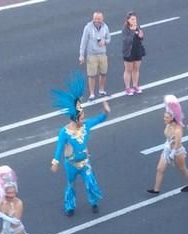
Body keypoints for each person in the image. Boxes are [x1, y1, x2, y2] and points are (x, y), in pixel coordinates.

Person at [50, 73, 110, 217]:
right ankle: (69, 205)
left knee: (90, 182)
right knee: (71, 185)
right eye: (81, 117)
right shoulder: (64, 132)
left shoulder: (85, 126)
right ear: (75, 118)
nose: (84, 119)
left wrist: (106, 112)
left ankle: (94, 202)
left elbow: (99, 119)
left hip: (84, 162)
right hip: (70, 164)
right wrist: (55, 162)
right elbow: (59, 148)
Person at [146, 95, 188, 194]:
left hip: (176, 152)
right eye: (164, 116)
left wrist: (172, 154)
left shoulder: (177, 129)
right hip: (167, 149)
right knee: (160, 169)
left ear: (172, 118)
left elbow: (177, 143)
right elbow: (169, 138)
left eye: (166, 117)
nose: (164, 118)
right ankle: (156, 189)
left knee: (182, 168)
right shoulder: (169, 124)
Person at [79, 11, 111, 101]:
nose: (97, 20)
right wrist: (81, 55)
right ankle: (92, 94)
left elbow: (109, 38)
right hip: (92, 55)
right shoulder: (88, 28)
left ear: (102, 19)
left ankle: (101, 90)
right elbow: (83, 42)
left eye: (99, 18)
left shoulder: (105, 27)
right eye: (95, 18)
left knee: (103, 73)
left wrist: (104, 42)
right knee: (92, 75)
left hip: (102, 54)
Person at [121, 11, 145, 96]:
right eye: (132, 19)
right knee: (128, 70)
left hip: (137, 50)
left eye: (135, 19)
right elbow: (126, 40)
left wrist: (141, 35)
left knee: (136, 69)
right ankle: (127, 87)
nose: (134, 21)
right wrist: (132, 32)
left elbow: (140, 37)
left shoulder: (137, 27)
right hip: (129, 51)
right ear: (128, 20)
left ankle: (135, 85)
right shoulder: (125, 29)